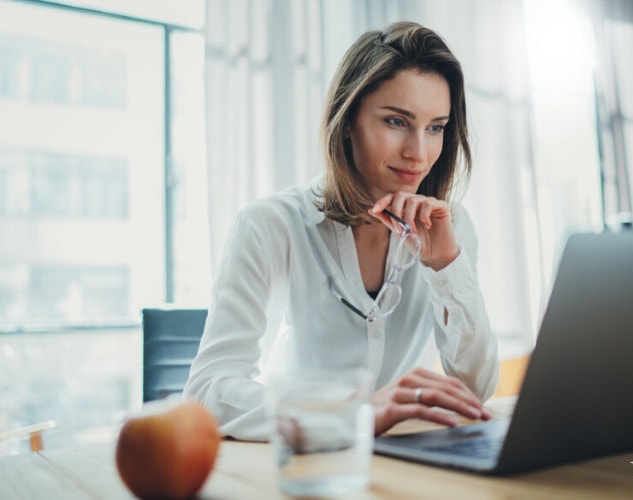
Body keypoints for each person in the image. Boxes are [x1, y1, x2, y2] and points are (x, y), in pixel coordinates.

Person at [184, 21, 512, 440]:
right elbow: (207, 391)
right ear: (348, 119)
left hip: (404, 459)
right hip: (302, 461)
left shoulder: (448, 227)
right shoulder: (270, 225)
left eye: (436, 128)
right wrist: (349, 413)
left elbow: (474, 389)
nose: (419, 152)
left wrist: (446, 267)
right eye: (396, 121)